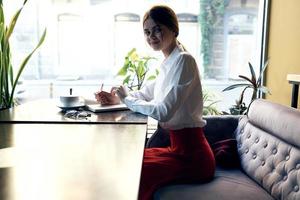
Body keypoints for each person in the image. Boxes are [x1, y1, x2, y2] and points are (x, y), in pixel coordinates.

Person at [95, 5, 215, 200]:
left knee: (133, 173)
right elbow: (145, 94)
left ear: (174, 29)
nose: (152, 36)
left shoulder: (184, 61)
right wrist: (117, 98)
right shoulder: (169, 63)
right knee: (127, 162)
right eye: (147, 32)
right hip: (177, 150)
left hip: (193, 158)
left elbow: (163, 111)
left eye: (158, 29)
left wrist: (127, 99)